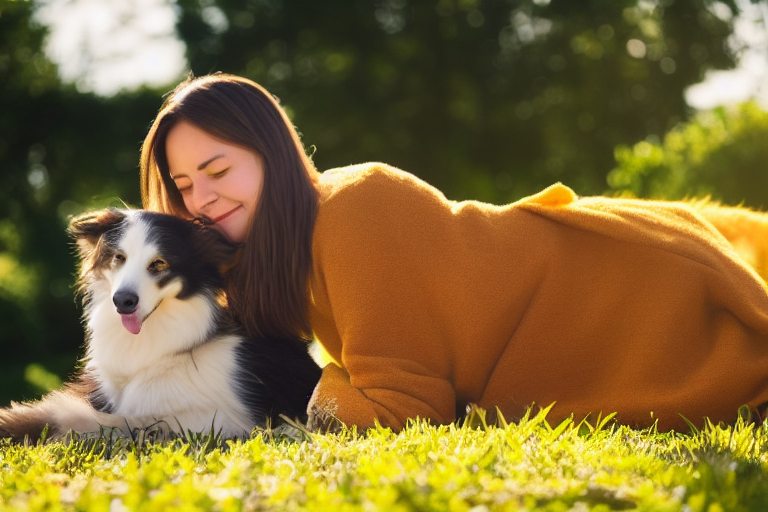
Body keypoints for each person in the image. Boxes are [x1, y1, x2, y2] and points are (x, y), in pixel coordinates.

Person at [140, 73, 768, 432]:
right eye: (186, 186)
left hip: (631, 306)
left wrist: (320, 385)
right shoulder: (279, 263)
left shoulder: (355, 207)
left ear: (270, 151)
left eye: (218, 169)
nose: (203, 200)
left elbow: (402, 409)